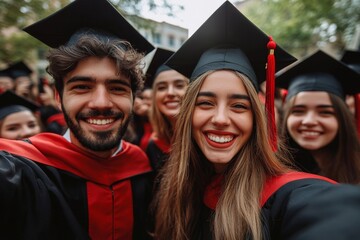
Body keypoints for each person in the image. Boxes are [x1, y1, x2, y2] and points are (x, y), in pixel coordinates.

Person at [151, 2, 360, 239]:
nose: (220, 119)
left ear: (256, 119)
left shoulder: (283, 195)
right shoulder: (176, 188)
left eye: (239, 106)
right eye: (205, 103)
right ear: (188, 112)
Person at [0, 0, 155, 239]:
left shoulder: (145, 170)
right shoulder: (22, 171)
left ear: (133, 98)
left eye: (117, 88)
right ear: (58, 97)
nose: (101, 102)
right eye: (82, 87)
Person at [277, 50, 360, 184]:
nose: (309, 121)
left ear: (342, 119)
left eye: (325, 112)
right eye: (298, 111)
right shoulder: (269, 172)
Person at [145, 47, 189, 173]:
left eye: (179, 85)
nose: (170, 93)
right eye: (162, 87)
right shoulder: (154, 146)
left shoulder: (205, 141)